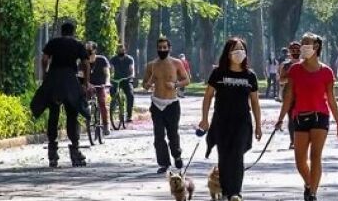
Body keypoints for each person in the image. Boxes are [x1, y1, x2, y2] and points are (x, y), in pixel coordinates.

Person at [275, 33, 338, 201]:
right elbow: (289, 96)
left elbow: (332, 99)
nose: (304, 46)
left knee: (315, 156)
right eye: (303, 43)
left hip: (320, 116)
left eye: (308, 43)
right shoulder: (295, 70)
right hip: (300, 117)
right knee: (300, 160)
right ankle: (309, 183)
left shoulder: (326, 71)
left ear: (316, 46)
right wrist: (281, 117)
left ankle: (312, 193)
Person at [199, 38, 263, 201]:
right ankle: (226, 190)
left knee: (237, 155)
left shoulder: (250, 76)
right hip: (221, 121)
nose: (239, 52)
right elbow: (208, 97)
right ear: (228, 53)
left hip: (242, 122)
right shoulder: (218, 73)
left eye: (242, 49)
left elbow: (255, 102)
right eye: (235, 49)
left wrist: (258, 126)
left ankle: (236, 192)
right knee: (224, 156)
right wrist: (204, 119)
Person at [30, 18, 90, 167]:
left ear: (61, 32)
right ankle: (75, 150)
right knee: (72, 113)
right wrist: (86, 83)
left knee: (54, 113)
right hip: (70, 80)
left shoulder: (53, 42)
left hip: (54, 79)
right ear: (73, 32)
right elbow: (86, 63)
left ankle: (52, 151)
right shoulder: (77, 44)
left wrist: (45, 74)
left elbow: (44, 59)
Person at [143, 37, 191, 173]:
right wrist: (148, 84)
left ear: (170, 48)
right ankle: (164, 163)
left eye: (165, 47)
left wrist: (175, 85)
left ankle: (177, 155)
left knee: (173, 133)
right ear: (157, 48)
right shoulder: (152, 65)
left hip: (172, 104)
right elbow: (145, 84)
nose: (162, 50)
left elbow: (187, 80)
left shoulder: (176, 63)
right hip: (157, 103)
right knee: (158, 135)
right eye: (160, 47)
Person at [278, 41, 301, 149]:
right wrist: (290, 79)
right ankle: (293, 141)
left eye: (297, 50)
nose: (295, 52)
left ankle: (301, 140)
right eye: (293, 50)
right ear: (289, 52)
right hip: (289, 95)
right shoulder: (285, 65)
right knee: (291, 118)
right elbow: (281, 80)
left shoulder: (305, 64)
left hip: (302, 94)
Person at [86, 41, 111, 136]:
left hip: (100, 85)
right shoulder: (83, 61)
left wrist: (107, 82)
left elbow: (107, 73)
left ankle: (106, 124)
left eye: (89, 49)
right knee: (82, 102)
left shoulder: (102, 60)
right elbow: (80, 75)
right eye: (86, 49)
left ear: (94, 50)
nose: (87, 51)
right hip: (89, 85)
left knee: (102, 102)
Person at [110, 43, 136, 122]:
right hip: (116, 80)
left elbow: (132, 69)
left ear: (125, 50)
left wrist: (131, 75)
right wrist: (110, 77)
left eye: (122, 50)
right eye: (119, 50)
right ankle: (116, 104)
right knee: (112, 91)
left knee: (130, 95)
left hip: (126, 80)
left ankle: (129, 115)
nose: (121, 51)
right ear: (117, 51)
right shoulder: (113, 59)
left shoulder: (129, 59)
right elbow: (111, 69)